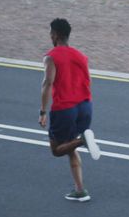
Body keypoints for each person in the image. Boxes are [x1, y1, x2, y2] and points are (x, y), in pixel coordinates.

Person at [38, 18, 101, 202]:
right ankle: (80, 190)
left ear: (56, 35)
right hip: (85, 106)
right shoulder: (81, 56)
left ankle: (83, 140)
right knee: (70, 148)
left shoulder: (52, 56)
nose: (50, 36)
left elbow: (47, 83)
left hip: (65, 108)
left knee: (57, 150)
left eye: (51, 32)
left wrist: (43, 111)